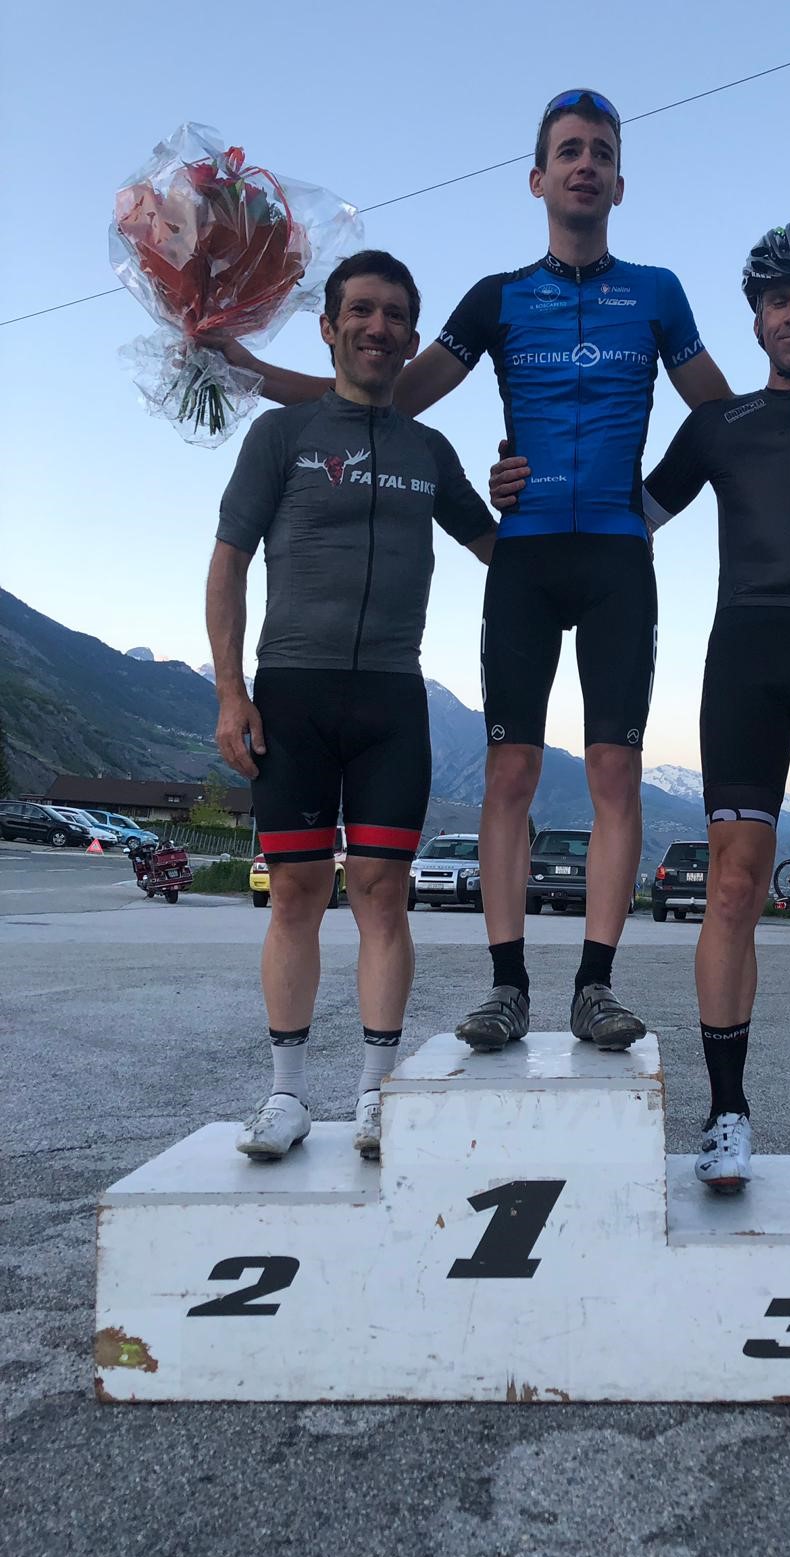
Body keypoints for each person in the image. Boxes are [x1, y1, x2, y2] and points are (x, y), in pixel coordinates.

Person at [208, 94, 790, 1056]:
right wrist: (240, 364)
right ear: (538, 179)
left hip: (618, 557)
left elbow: (730, 419)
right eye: (569, 152)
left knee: (615, 772)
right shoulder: (496, 297)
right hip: (527, 557)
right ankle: (508, 986)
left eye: (602, 153)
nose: (586, 165)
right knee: (512, 771)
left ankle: (594, 986)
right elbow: (380, 401)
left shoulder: (656, 293)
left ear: (620, 183)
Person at [493, 222, 790, 1194]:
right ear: (755, 319)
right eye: (779, 300)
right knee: (733, 888)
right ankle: (726, 1114)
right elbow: (626, 516)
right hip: (743, 661)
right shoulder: (717, 427)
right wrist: (529, 479)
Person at [205, 249, 495, 1161]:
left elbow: (498, 547)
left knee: (381, 894)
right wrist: (230, 691)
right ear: (328, 327)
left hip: (391, 700)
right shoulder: (282, 435)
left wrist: (542, 500)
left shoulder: (429, 451)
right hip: (291, 691)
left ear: (411, 337)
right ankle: (286, 1096)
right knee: (295, 892)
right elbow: (228, 561)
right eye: (361, 311)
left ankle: (376, 1095)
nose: (378, 327)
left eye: (395, 315)